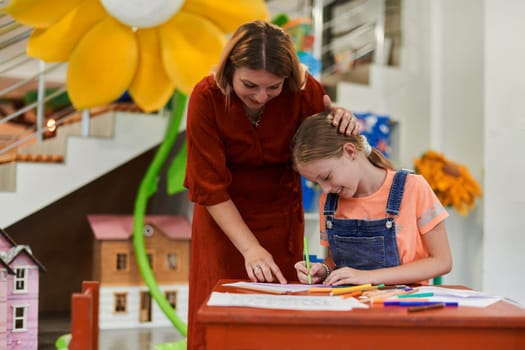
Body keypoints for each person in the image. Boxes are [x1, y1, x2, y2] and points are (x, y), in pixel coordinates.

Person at [184, 20, 359, 350]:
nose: (260, 96)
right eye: (249, 85)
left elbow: (330, 142)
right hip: (223, 223)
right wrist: (249, 249)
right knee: (222, 313)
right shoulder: (205, 98)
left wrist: (342, 118)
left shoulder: (305, 91)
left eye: (273, 88)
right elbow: (208, 186)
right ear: (229, 70)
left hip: (281, 219)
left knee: (281, 316)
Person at [292, 112, 452, 286]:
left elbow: (442, 261)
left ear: (350, 151)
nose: (326, 189)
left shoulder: (413, 187)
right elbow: (333, 260)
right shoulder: (329, 201)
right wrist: (324, 270)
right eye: (317, 183)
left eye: (327, 177)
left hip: (403, 306)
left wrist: (368, 277)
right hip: (349, 305)